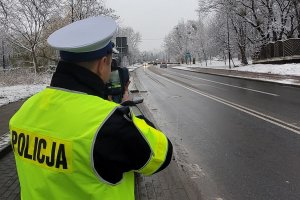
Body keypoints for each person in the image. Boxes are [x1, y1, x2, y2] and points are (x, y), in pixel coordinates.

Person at [9, 16, 172, 200]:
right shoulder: (109, 124)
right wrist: (125, 108)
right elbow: (162, 155)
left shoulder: (24, 111)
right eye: (110, 63)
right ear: (103, 63)